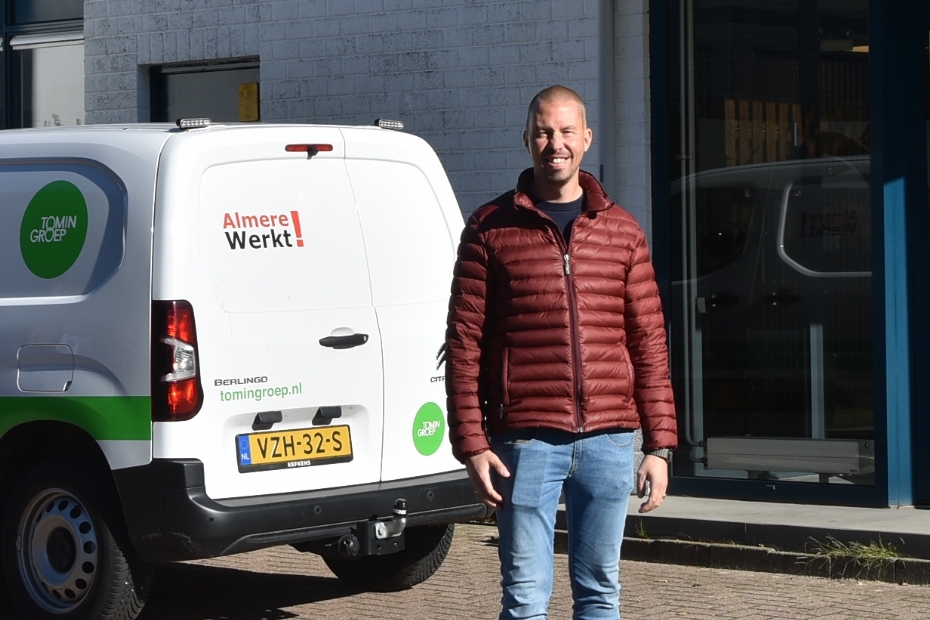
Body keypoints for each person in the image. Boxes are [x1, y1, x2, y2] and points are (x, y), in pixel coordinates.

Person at [445, 84, 678, 619]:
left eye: (567, 131)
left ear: (586, 138)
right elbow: (463, 344)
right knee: (525, 597)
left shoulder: (621, 231)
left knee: (600, 593)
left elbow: (649, 343)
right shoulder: (489, 229)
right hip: (525, 443)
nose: (556, 144)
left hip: (610, 441)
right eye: (544, 132)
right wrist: (472, 443)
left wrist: (660, 446)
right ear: (526, 138)